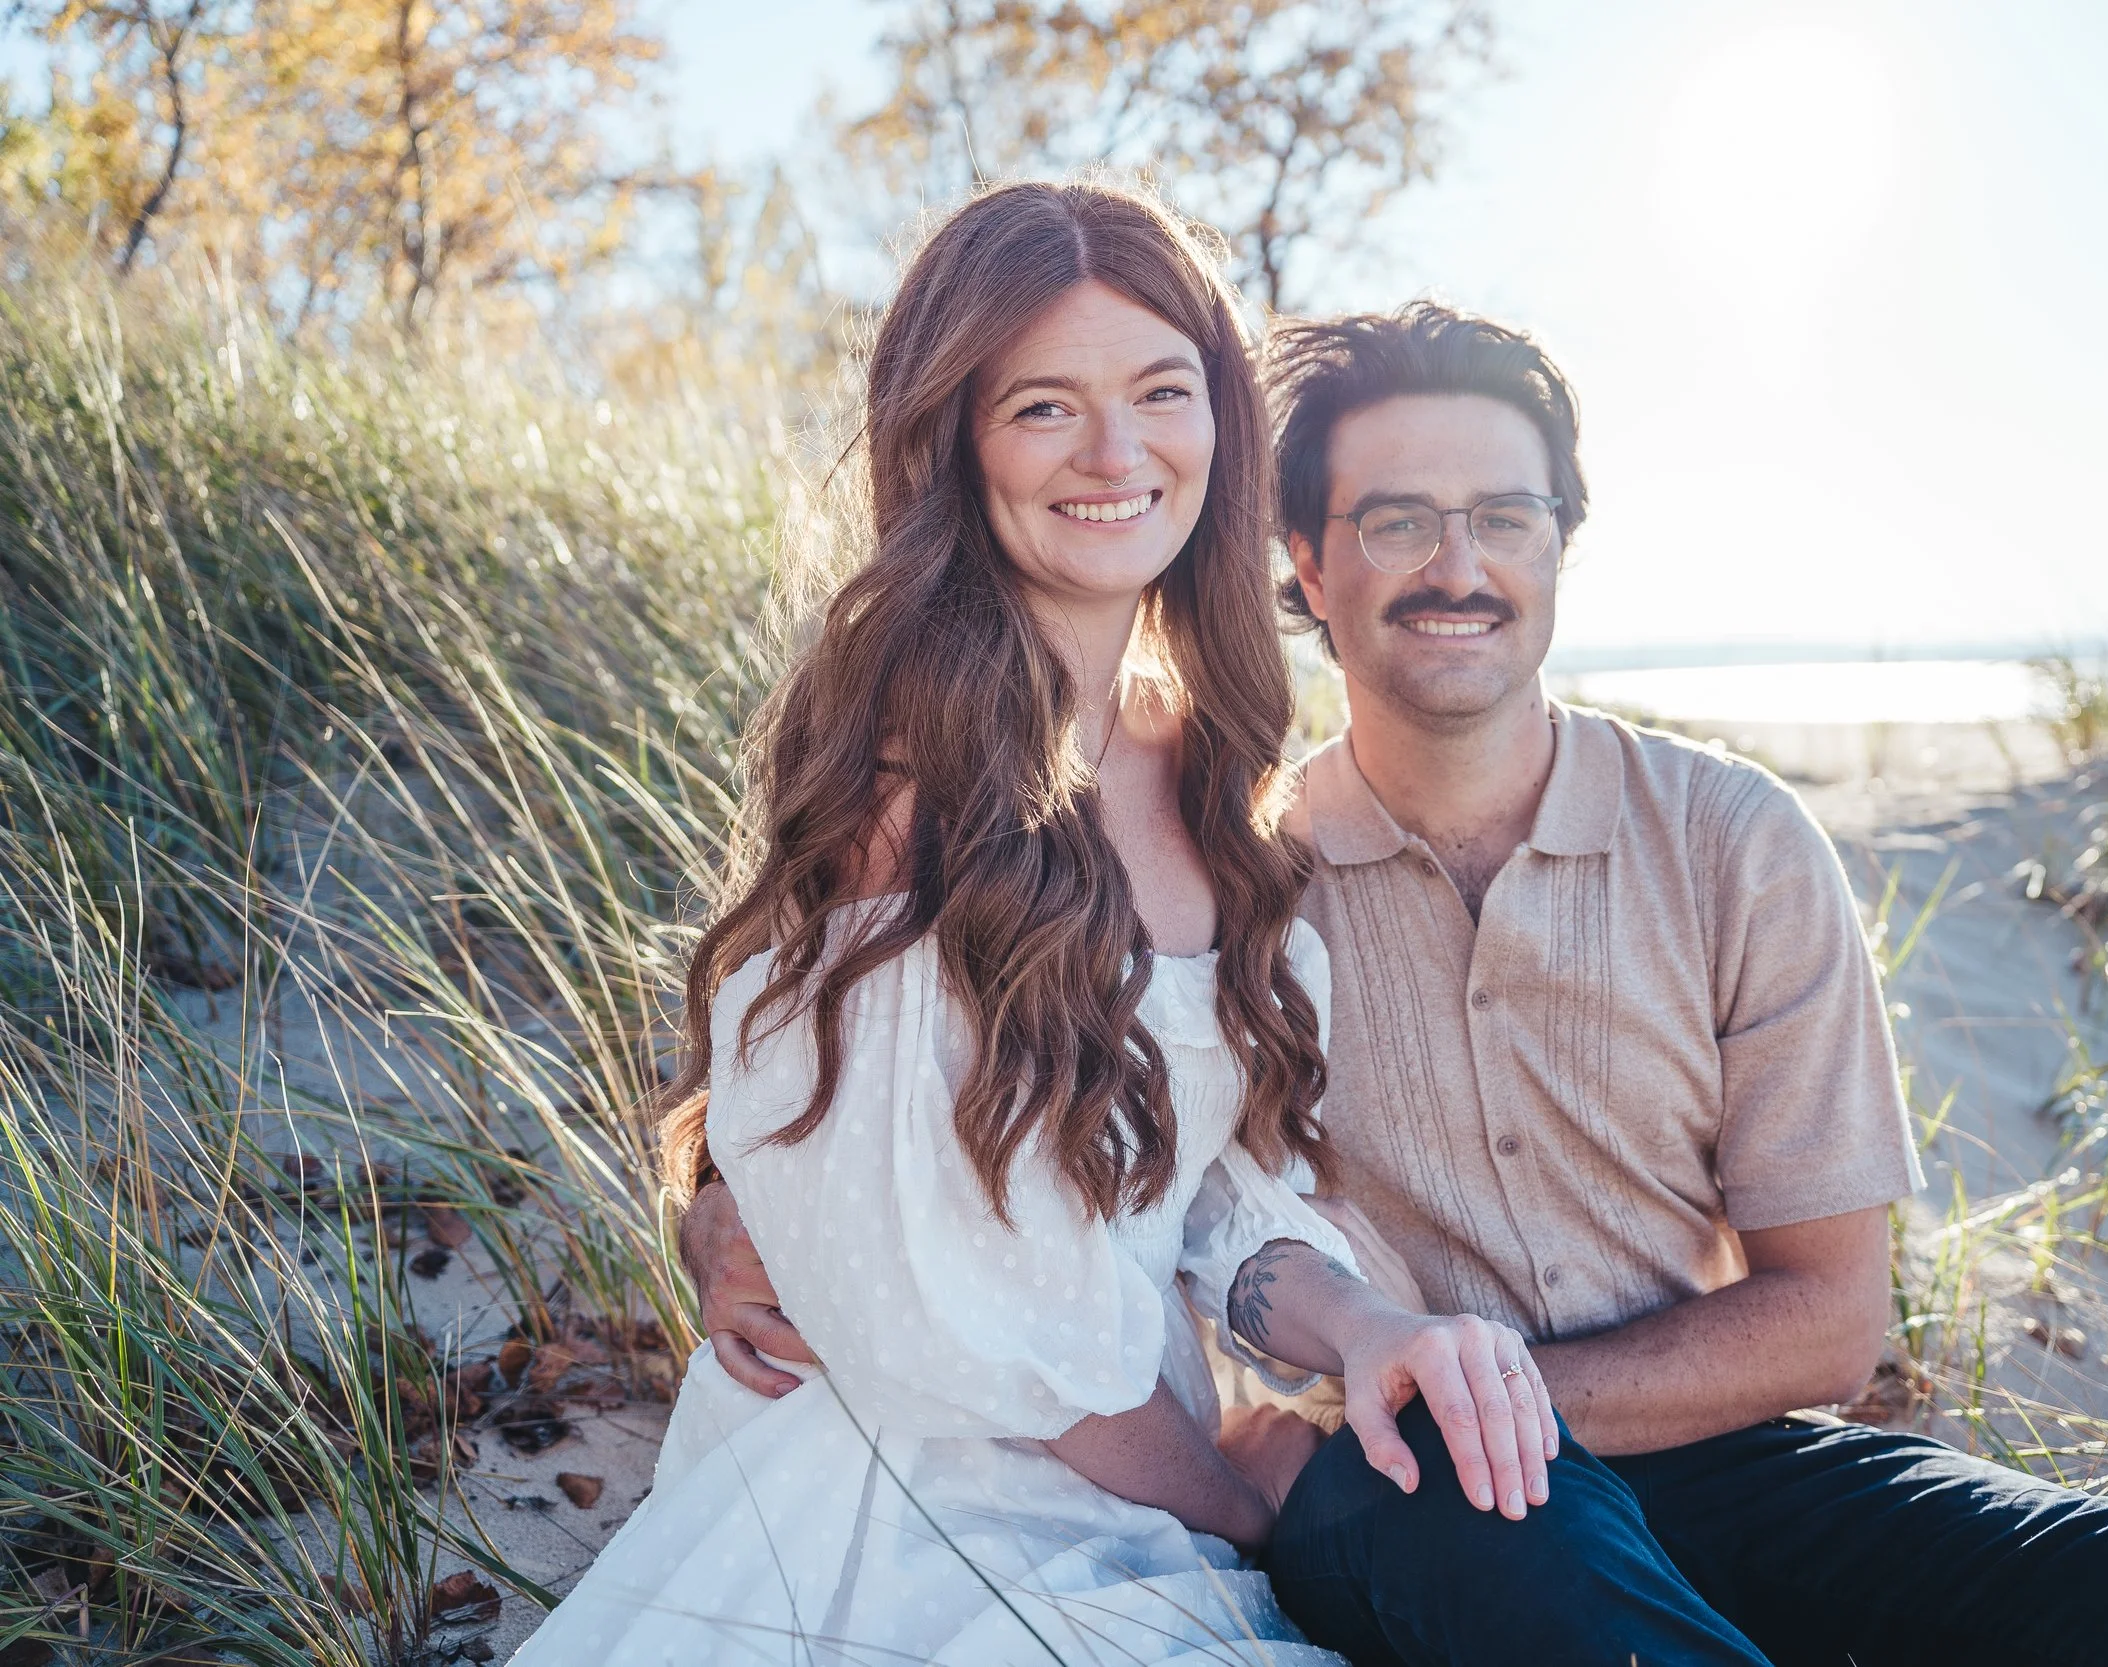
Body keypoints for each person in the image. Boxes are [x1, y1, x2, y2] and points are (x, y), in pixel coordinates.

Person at [684, 300, 2108, 1667]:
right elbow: (946, 1084)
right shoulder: (1225, 852)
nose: (1457, 564)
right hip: (1404, 1489)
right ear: (1306, 563)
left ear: (1566, 539)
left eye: (1504, 514)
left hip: (1714, 1457)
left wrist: (1475, 1375)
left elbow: (1830, 1314)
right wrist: (716, 1200)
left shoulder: (1735, 840)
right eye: (1399, 519)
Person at [512, 196, 1557, 1667]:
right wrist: (1240, 1501)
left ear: (1221, 423)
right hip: (922, 1516)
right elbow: (968, 1312)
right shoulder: (902, 755)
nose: (1116, 455)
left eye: (1159, 392)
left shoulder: (1203, 753)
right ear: (956, 440)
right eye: (1044, 405)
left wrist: (1363, 1326)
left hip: (1138, 1497)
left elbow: (1204, 1194)